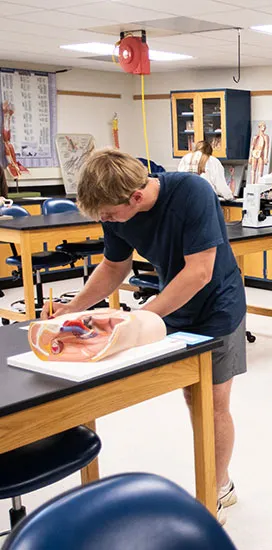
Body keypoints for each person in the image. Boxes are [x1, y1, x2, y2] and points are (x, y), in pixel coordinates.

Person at [45, 149, 246, 524]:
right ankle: (216, 480)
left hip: (218, 305)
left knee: (212, 403)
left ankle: (216, 489)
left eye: (108, 214)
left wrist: (140, 317)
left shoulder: (193, 193)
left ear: (135, 197)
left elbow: (200, 272)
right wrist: (75, 307)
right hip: (173, 301)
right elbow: (114, 265)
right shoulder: (117, 209)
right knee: (190, 394)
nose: (106, 221)